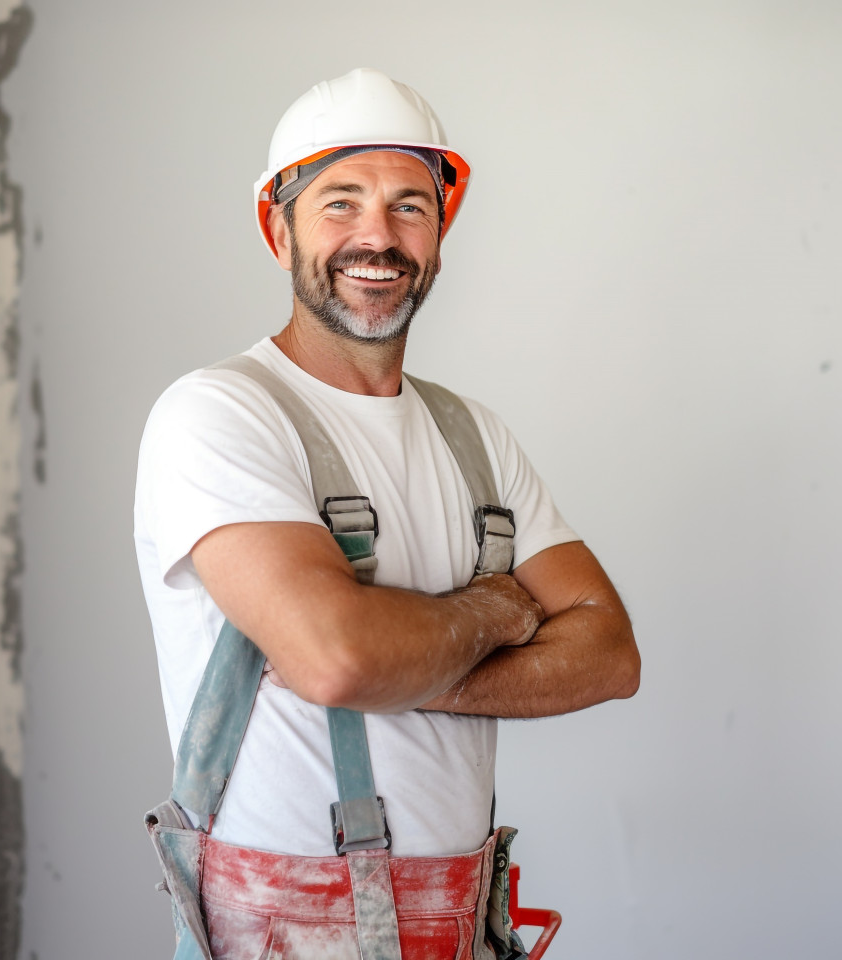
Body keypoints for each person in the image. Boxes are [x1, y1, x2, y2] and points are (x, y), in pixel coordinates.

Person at [135, 67, 640, 960]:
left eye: (410, 205)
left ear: (441, 234)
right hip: (281, 934)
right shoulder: (218, 415)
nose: (378, 235)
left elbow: (608, 654)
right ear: (275, 225)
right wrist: (498, 610)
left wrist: (407, 671)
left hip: (461, 924)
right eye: (341, 202)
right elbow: (336, 658)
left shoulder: (472, 435)